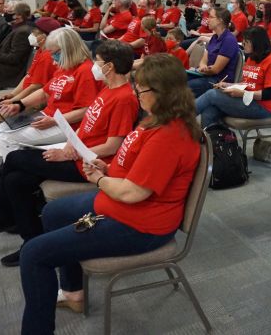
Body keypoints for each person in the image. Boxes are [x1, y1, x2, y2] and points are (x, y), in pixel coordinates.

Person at [18, 54, 202, 332]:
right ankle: (73, 292)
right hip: (120, 202)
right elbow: (133, 164)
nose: (137, 93)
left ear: (163, 92)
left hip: (139, 225)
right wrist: (107, 168)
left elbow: (132, 193)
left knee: (33, 255)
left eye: (141, 89)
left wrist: (100, 179)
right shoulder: (156, 119)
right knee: (53, 212)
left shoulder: (168, 136)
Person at [0, 40, 139, 267]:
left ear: (109, 66)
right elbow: (89, 126)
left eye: (97, 62)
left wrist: (71, 153)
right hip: (77, 150)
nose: (94, 66)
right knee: (15, 180)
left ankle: (0, 214)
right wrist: (69, 143)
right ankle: (31, 240)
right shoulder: (109, 89)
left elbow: (112, 146)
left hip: (88, 163)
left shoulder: (124, 98)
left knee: (15, 158)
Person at [0, 28, 101, 161]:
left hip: (68, 125)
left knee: (5, 135)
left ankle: (10, 167)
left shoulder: (85, 71)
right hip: (49, 116)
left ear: (67, 49)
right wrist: (20, 104)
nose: (53, 58)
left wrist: (54, 120)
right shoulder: (65, 67)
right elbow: (45, 92)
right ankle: (13, 166)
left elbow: (86, 111)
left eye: (55, 53)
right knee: (2, 128)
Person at [196, 26, 271, 127]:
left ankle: (183, 117)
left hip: (262, 106)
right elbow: (247, 84)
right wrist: (228, 85)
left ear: (257, 43)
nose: (243, 44)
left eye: (246, 42)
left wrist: (243, 93)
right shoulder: (252, 58)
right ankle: (209, 136)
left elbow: (269, 94)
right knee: (210, 110)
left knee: (212, 94)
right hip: (246, 100)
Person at [0, 18, 60, 136]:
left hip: (36, 99)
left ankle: (6, 145)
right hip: (27, 94)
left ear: (45, 37)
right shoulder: (40, 51)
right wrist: (12, 94)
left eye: (35, 33)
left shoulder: (47, 56)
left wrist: (16, 100)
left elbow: (35, 86)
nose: (31, 35)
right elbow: (28, 76)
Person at [187, 6, 240, 99]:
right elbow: (204, 60)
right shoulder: (215, 37)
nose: (208, 19)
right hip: (207, 75)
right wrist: (203, 66)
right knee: (178, 78)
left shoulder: (229, 40)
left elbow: (215, 70)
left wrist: (203, 69)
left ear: (220, 20)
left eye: (211, 17)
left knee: (184, 85)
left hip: (218, 81)